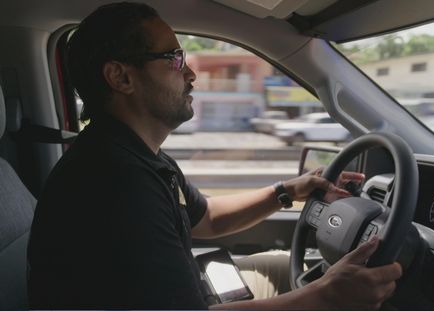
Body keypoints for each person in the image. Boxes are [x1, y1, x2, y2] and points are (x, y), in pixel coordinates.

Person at [27, 2, 402, 310]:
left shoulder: (137, 156)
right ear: (121, 77)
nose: (190, 73)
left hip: (191, 290)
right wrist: (326, 296)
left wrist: (287, 191)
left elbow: (203, 217)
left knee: (286, 268)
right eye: (173, 59)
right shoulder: (116, 186)